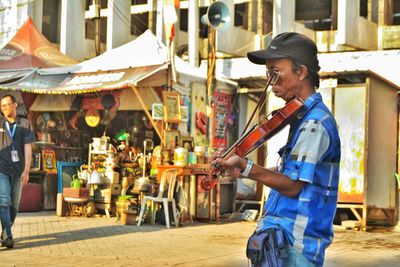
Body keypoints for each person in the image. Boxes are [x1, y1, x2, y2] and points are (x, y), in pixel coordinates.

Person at [212, 32, 340, 266]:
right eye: (268, 73)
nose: (270, 83)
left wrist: (248, 166)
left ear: (301, 72)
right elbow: (290, 171)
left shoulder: (314, 123)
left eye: (275, 72)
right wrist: (242, 170)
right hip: (285, 242)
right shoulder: (302, 118)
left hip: (295, 244)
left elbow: (292, 187)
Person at [0, 95, 35, 248]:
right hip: (1, 170)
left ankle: (5, 229)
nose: (4, 108)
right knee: (4, 201)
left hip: (19, 171)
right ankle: (8, 234)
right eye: (2, 106)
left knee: (14, 205)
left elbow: (28, 148)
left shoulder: (25, 124)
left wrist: (27, 170)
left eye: (7, 105)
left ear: (15, 105)